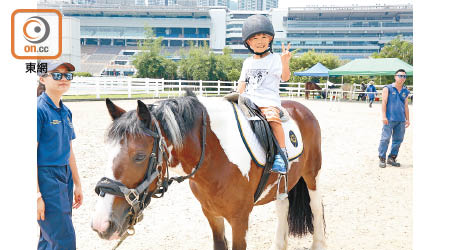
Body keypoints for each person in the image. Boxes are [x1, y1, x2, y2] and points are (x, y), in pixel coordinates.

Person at [37, 61, 83, 249]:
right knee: (64, 239)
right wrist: (36, 194)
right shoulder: (38, 110)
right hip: (46, 178)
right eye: (56, 75)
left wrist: (77, 183)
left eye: (67, 75)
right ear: (42, 78)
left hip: (64, 177)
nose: (63, 79)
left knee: (49, 239)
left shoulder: (66, 111)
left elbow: (69, 150)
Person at [237, 14, 292, 174]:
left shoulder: (276, 59)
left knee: (273, 120)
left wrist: (285, 62)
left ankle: (282, 154)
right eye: (254, 38)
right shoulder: (248, 62)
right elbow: (242, 83)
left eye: (263, 36)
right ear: (248, 42)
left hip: (268, 101)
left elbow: (285, 78)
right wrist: (233, 96)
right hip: (248, 100)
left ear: (270, 39)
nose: (260, 41)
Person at [378, 69, 410, 168]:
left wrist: (408, 119)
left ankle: (392, 157)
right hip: (389, 119)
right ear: (395, 76)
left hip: (401, 120)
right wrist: (383, 116)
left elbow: (405, 106)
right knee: (385, 139)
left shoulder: (406, 91)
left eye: (404, 76)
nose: (402, 78)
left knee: (398, 140)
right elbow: (384, 102)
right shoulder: (387, 88)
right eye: (400, 76)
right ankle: (382, 158)